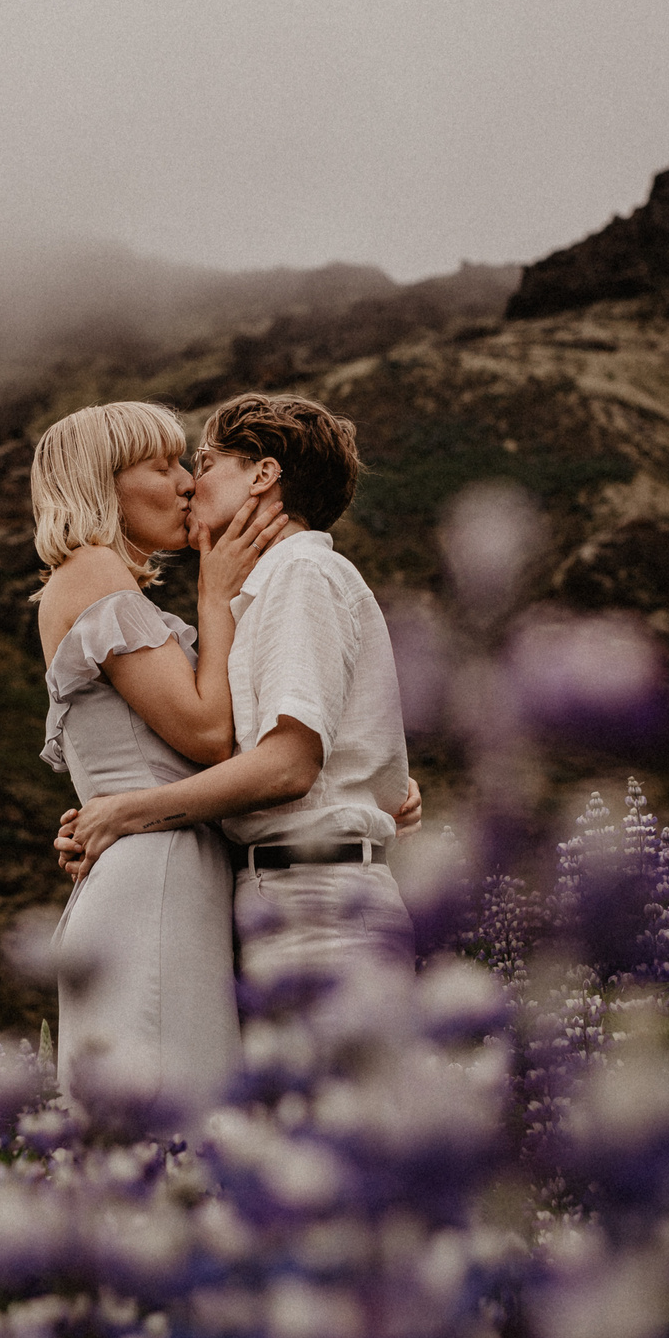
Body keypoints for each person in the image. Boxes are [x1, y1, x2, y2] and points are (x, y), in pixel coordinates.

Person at [58, 392, 418, 992]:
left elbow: (288, 768)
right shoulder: (275, 588)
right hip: (284, 902)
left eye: (203, 464)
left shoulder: (302, 574)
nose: (191, 485)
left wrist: (124, 813)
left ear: (263, 474)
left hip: (320, 914)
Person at [31, 400, 285, 1109]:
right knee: (170, 1129)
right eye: (161, 465)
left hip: (164, 868)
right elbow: (207, 734)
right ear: (101, 483)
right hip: (157, 880)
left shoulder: (109, 586)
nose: (184, 483)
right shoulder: (90, 570)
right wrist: (215, 589)